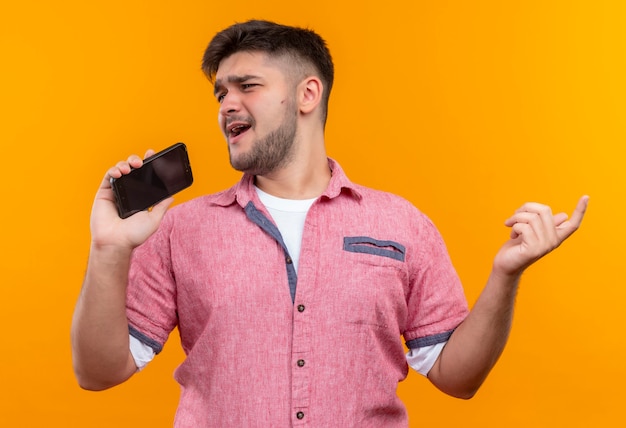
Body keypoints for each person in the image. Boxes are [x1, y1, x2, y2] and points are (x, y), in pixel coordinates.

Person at [71, 19, 589, 427]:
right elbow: (97, 374)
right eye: (220, 93)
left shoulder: (402, 224)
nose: (228, 104)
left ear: (307, 95)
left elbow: (458, 378)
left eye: (246, 85)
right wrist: (108, 249)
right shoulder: (182, 230)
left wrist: (506, 273)